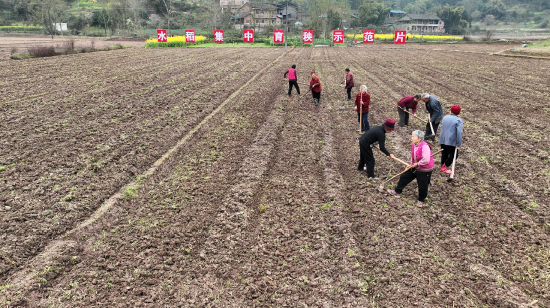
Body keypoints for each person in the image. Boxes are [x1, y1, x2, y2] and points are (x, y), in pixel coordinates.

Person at [387, 130, 434, 207]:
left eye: (413, 136)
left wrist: (417, 164)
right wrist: (411, 164)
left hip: (424, 170)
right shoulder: (414, 144)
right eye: (412, 136)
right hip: (415, 167)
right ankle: (397, 192)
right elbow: (413, 156)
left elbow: (426, 160)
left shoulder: (425, 146)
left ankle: (421, 200)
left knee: (422, 185)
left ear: (419, 138)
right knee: (404, 177)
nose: (411, 138)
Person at [439, 105, 463, 174]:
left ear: (451, 110)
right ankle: (445, 167)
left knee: (444, 153)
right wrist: (458, 143)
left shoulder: (445, 117)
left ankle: (442, 166)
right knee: (454, 155)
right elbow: (459, 132)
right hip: (451, 140)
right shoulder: (458, 120)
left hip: (443, 138)